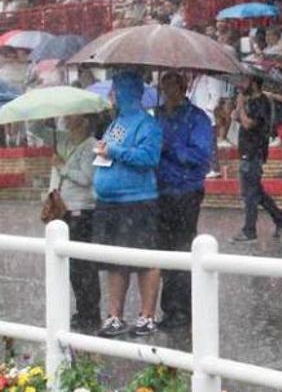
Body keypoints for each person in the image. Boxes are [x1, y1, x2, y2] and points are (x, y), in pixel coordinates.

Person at [92, 70, 164, 337]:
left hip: (137, 201)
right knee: (114, 261)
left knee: (145, 259)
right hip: (110, 202)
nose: (112, 95)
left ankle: (147, 315)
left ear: (126, 92)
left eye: (115, 90)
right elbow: (111, 148)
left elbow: (148, 157)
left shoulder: (147, 124)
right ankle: (114, 316)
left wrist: (113, 151)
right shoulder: (116, 123)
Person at [154, 72, 214, 330]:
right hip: (159, 191)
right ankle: (169, 307)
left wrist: (171, 148)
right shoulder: (155, 116)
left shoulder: (197, 118)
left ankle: (183, 309)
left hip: (186, 191)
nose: (168, 90)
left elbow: (201, 156)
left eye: (172, 85)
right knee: (164, 249)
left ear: (183, 87)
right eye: (164, 85)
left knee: (182, 246)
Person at [231, 76, 282, 243]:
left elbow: (249, 124)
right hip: (245, 150)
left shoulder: (262, 102)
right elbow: (235, 117)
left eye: (245, 82)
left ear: (254, 83)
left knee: (250, 194)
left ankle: (249, 230)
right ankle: (280, 219)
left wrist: (242, 107)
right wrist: (239, 104)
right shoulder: (249, 100)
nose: (242, 85)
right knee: (255, 191)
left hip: (254, 151)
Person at [55, 112, 100, 331]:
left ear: (84, 121)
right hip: (67, 210)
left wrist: (64, 168)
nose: (66, 120)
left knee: (84, 265)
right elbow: (36, 131)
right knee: (74, 266)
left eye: (71, 117)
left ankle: (90, 312)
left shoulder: (91, 146)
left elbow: (86, 178)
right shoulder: (66, 141)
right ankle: (83, 310)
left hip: (83, 211)